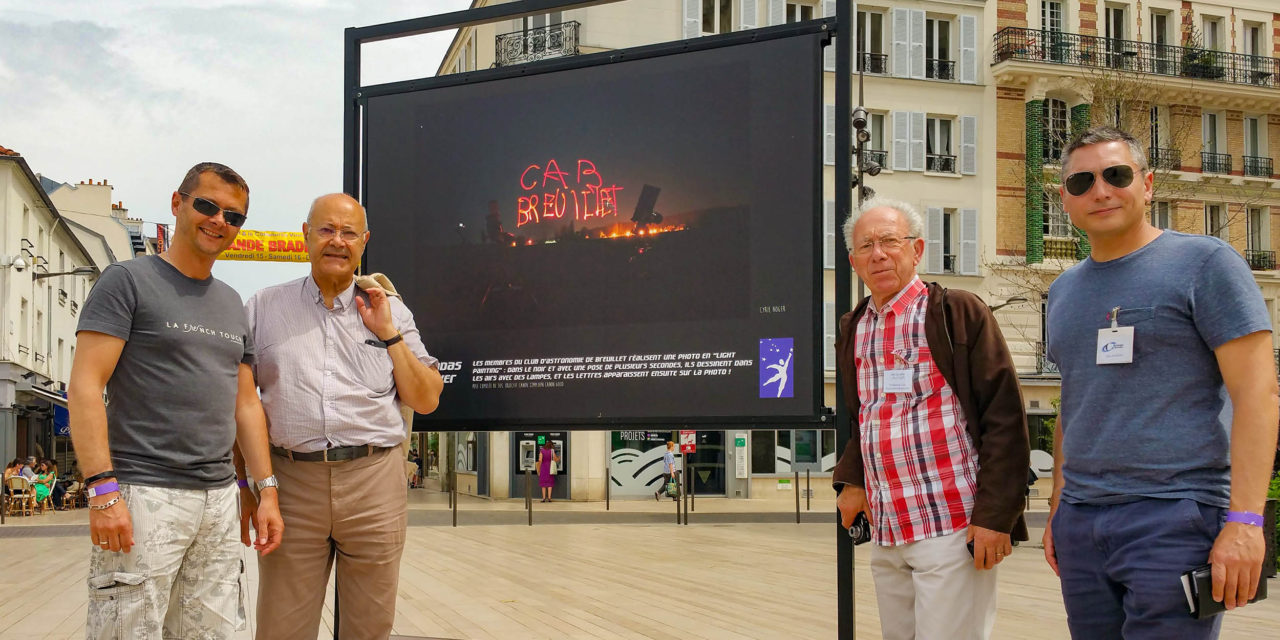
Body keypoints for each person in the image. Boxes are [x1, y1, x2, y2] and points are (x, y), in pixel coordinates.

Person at [1043, 126, 1278, 639]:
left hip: (1174, 516)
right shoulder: (1062, 291)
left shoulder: (1206, 263)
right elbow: (1074, 403)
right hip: (1082, 521)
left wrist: (1246, 521)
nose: (1100, 191)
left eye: (1116, 175)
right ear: (1064, 198)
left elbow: (1258, 396)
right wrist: (1060, 505)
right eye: (1082, 182)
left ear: (1147, 184)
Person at [68, 162, 283, 639]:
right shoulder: (126, 281)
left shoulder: (232, 302)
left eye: (233, 216)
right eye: (207, 205)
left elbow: (245, 404)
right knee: (128, 630)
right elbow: (84, 385)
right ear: (177, 203)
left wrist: (265, 490)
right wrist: (102, 490)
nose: (219, 221)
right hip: (143, 492)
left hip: (218, 501)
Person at [246, 192, 443, 640]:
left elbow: (427, 398)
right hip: (291, 483)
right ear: (305, 235)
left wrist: (388, 333)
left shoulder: (391, 310)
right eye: (326, 230)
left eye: (349, 232)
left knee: (369, 628)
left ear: (364, 241)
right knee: (280, 628)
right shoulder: (263, 308)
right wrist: (249, 487)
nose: (337, 241)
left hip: (374, 481)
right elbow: (242, 405)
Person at [832, 197, 1029, 640]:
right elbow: (865, 418)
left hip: (952, 524)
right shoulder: (853, 327)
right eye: (866, 246)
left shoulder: (956, 312)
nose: (878, 254)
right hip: (887, 527)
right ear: (853, 262)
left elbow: (1004, 417)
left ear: (917, 249)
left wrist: (996, 516)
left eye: (890, 241)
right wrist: (852, 478)